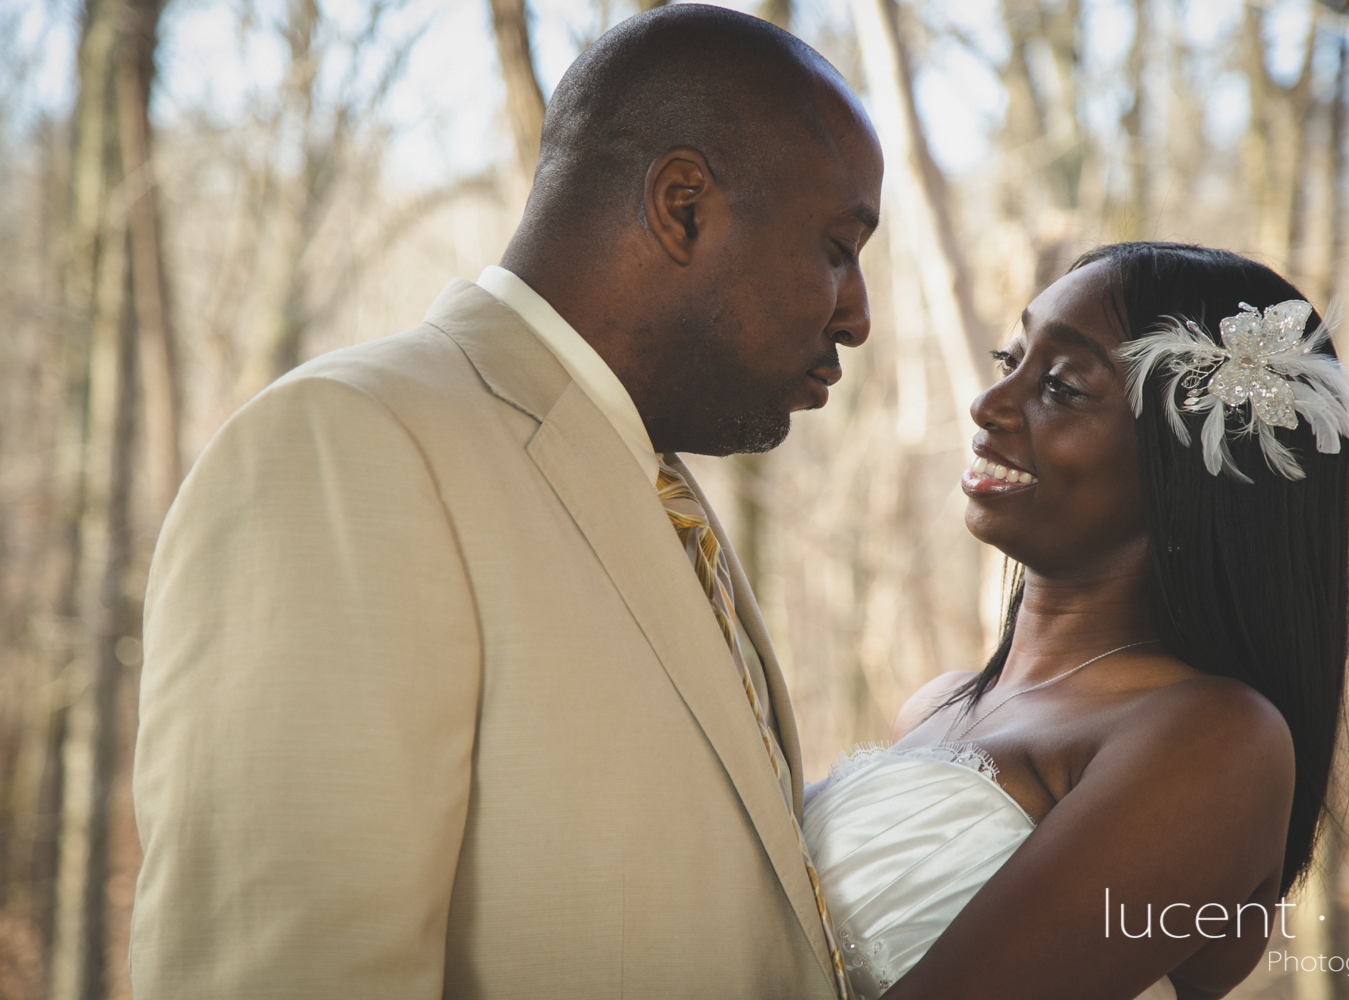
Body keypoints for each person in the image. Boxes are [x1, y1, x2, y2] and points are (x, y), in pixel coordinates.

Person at [130, 7, 880, 998]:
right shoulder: (351, 449)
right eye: (836, 246)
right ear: (684, 206)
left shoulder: (653, 489)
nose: (858, 314)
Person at [802, 242, 1349, 1000]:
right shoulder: (932, 707)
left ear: (1192, 466)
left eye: (1062, 386)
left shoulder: (1216, 741)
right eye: (1011, 358)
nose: (989, 403)